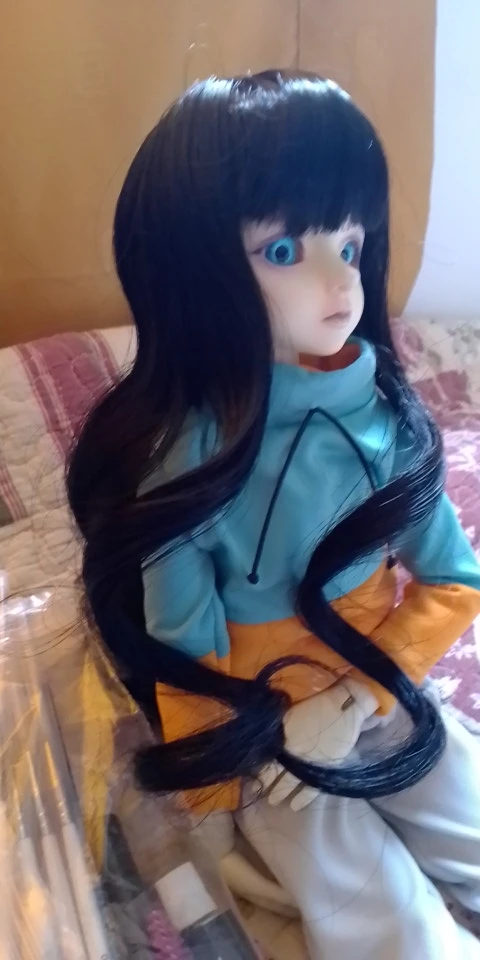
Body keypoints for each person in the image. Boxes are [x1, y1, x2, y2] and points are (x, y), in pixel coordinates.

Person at [67, 70, 480, 958]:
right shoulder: (187, 461)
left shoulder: (385, 422)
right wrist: (218, 792)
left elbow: (453, 580)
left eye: (351, 241)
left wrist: (362, 695)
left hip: (381, 688)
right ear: (195, 271)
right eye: (284, 250)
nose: (342, 281)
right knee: (384, 919)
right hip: (267, 732)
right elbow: (183, 638)